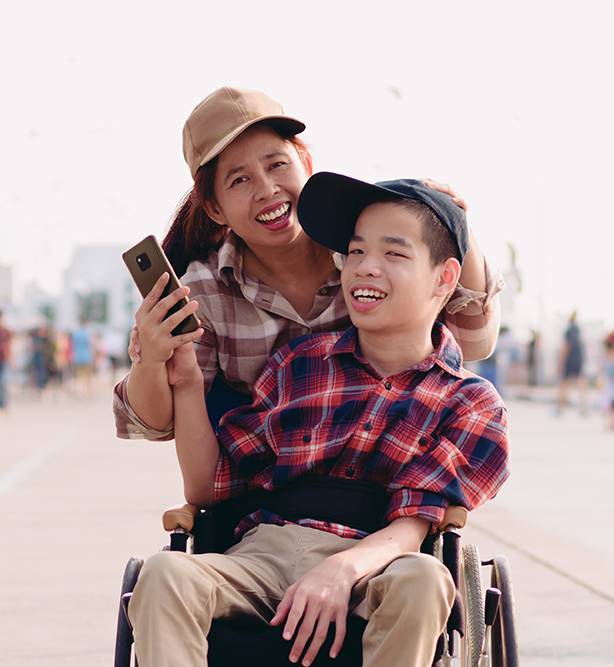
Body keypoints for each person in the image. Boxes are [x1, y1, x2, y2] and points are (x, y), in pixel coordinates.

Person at [127, 172, 510, 667]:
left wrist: (341, 570)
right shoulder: (298, 363)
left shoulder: (470, 403)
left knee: (426, 579)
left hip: (378, 562)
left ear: (444, 278)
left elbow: (412, 529)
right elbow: (209, 488)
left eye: (393, 254)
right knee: (164, 574)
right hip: (262, 554)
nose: (365, 267)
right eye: (355, 251)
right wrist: (186, 382)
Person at [113, 87, 503, 441]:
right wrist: (151, 359)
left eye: (277, 164)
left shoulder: (365, 248)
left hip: (387, 464)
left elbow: (475, 343)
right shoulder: (203, 291)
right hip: (270, 480)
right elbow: (161, 425)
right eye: (239, 180)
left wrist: (458, 224)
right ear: (215, 209)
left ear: (305, 162)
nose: (267, 190)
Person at [556, 311, 588, 416]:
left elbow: (566, 346)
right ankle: (584, 406)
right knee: (580, 384)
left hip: (570, 360)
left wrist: (561, 361)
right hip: (578, 359)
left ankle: (560, 408)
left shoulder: (569, 331)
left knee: (564, 384)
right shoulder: (578, 330)